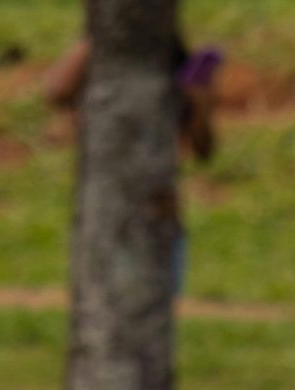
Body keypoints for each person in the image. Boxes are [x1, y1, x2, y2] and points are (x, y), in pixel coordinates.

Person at [43, 36, 222, 294]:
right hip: (106, 211)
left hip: (158, 212)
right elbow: (56, 91)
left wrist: (200, 94)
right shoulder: (102, 57)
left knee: (153, 310)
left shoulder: (172, 59)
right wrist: (103, 32)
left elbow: (203, 147)